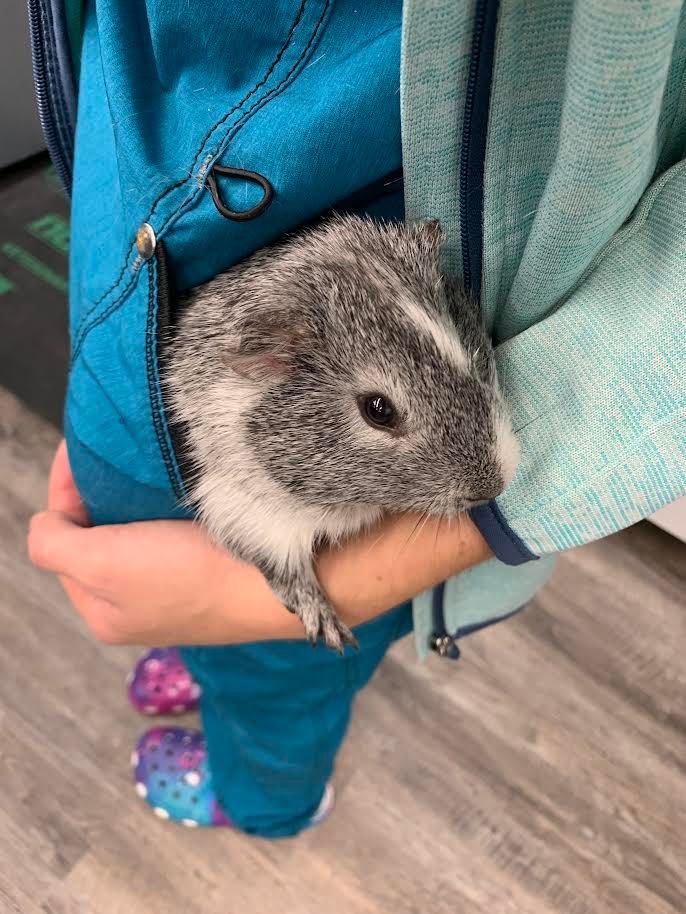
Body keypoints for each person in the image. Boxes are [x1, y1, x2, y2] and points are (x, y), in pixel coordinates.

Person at [27, 0, 686, 836]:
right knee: (216, 642)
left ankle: (269, 799)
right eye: (381, 409)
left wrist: (264, 594)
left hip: (303, 567)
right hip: (128, 258)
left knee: (288, 673)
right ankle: (206, 658)